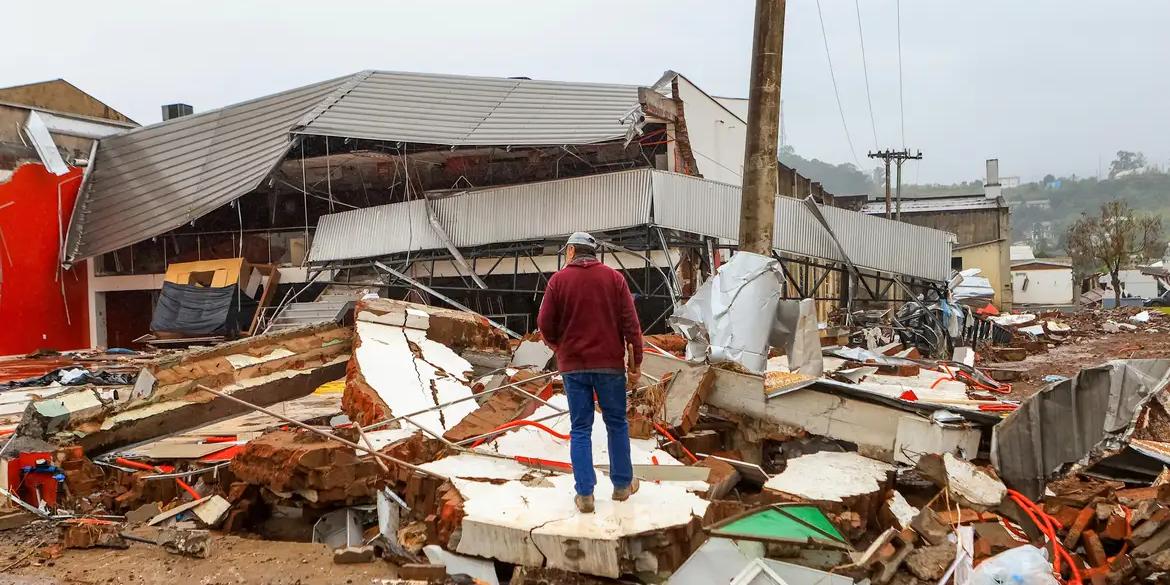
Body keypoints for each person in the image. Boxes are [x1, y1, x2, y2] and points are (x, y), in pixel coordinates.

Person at [537, 231, 643, 513]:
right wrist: (636, 364)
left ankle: (585, 494)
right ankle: (622, 486)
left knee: (580, 428)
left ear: (571, 251)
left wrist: (559, 347)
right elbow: (632, 326)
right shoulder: (614, 279)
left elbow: (544, 323)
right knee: (617, 423)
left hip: (574, 367)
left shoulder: (558, 281)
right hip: (609, 365)